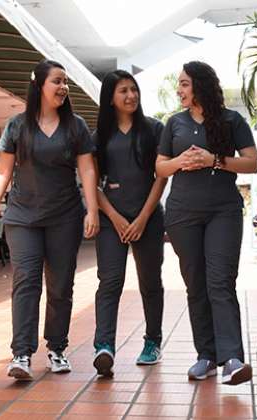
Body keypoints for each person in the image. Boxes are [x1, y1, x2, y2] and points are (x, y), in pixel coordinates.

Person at [0, 59, 99, 381]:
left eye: (66, 83)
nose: (64, 87)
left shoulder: (75, 126)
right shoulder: (17, 125)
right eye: (57, 81)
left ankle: (57, 348)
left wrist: (92, 209)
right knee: (26, 282)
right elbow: (3, 170)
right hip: (22, 217)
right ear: (39, 85)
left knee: (61, 286)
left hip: (65, 217)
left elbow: (87, 168)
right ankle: (21, 353)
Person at [155, 61, 257, 385]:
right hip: (182, 214)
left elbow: (252, 163)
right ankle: (206, 356)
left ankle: (232, 358)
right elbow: (160, 168)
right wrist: (180, 161)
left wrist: (214, 160)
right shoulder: (173, 124)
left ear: (199, 85)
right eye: (179, 84)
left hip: (223, 212)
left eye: (184, 84)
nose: (179, 90)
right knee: (195, 284)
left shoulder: (231, 120)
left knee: (221, 281)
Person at [91, 70, 167, 377]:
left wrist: (143, 217)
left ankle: (152, 342)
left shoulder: (154, 129)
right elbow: (92, 184)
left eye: (133, 90)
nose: (131, 96)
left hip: (147, 218)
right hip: (113, 221)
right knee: (110, 281)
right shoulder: (99, 137)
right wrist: (115, 217)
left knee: (150, 282)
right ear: (111, 97)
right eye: (123, 90)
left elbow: (161, 176)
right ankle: (104, 347)